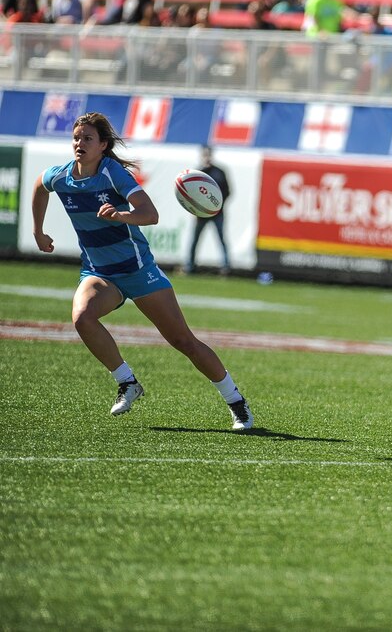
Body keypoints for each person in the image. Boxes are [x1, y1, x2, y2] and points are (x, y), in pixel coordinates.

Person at [30, 113, 253, 430]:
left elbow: (150, 215)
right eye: (76, 138)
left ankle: (237, 403)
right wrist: (38, 230)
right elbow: (41, 185)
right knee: (82, 317)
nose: (79, 144)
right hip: (99, 272)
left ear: (103, 145)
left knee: (183, 341)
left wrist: (120, 215)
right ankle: (127, 382)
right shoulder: (62, 176)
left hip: (138, 270)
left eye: (88, 139)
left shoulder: (113, 175)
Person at [183, 145, 231, 276]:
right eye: (205, 155)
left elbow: (228, 192)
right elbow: (191, 195)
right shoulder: (197, 174)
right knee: (195, 239)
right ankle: (190, 265)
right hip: (201, 214)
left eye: (208, 155)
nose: (207, 158)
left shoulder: (219, 172)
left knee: (221, 238)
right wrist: (197, 209)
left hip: (217, 213)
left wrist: (216, 206)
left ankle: (226, 266)